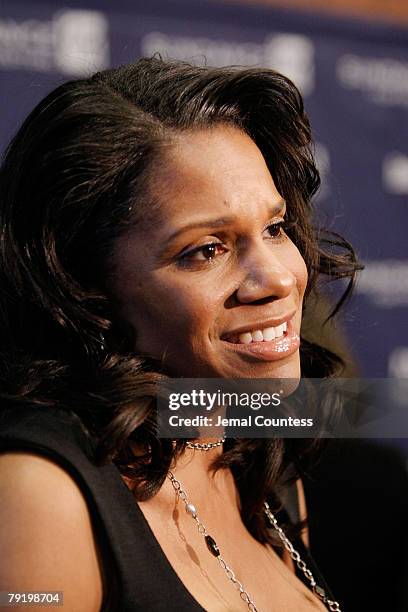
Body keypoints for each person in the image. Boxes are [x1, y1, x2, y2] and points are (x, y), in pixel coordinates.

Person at [0, 57, 361, 611]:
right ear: (82, 285)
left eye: (275, 228)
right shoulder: (39, 492)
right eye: (206, 251)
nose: (280, 279)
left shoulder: (256, 453)